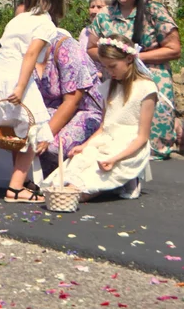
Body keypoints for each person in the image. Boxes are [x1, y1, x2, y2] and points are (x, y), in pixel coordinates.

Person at [44, 35, 159, 201]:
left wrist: (115, 159)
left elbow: (142, 137)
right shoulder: (107, 88)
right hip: (106, 139)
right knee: (69, 172)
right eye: (105, 67)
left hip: (128, 144)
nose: (109, 72)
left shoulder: (146, 88)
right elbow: (103, 127)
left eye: (113, 66)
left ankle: (120, 180)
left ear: (128, 59)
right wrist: (84, 145)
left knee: (82, 188)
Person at [88, 0, 180, 159]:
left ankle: (167, 136)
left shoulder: (155, 12)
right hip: (117, 75)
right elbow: (91, 48)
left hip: (150, 71)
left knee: (154, 141)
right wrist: (113, 59)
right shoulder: (105, 15)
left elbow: (174, 49)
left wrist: (135, 57)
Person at [0, 0, 62, 203]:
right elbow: (30, 54)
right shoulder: (45, 23)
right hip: (18, 75)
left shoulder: (17, 19)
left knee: (14, 129)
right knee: (32, 130)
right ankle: (16, 187)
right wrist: (20, 86)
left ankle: (21, 178)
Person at [34, 28, 104, 176]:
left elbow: (72, 101)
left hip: (85, 110)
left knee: (52, 147)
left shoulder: (66, 47)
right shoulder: (22, 49)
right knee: (25, 135)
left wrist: (45, 134)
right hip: (50, 109)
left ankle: (76, 178)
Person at [80, 0, 115, 73]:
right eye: (92, 7)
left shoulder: (112, 31)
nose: (94, 11)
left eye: (99, 7)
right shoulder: (84, 32)